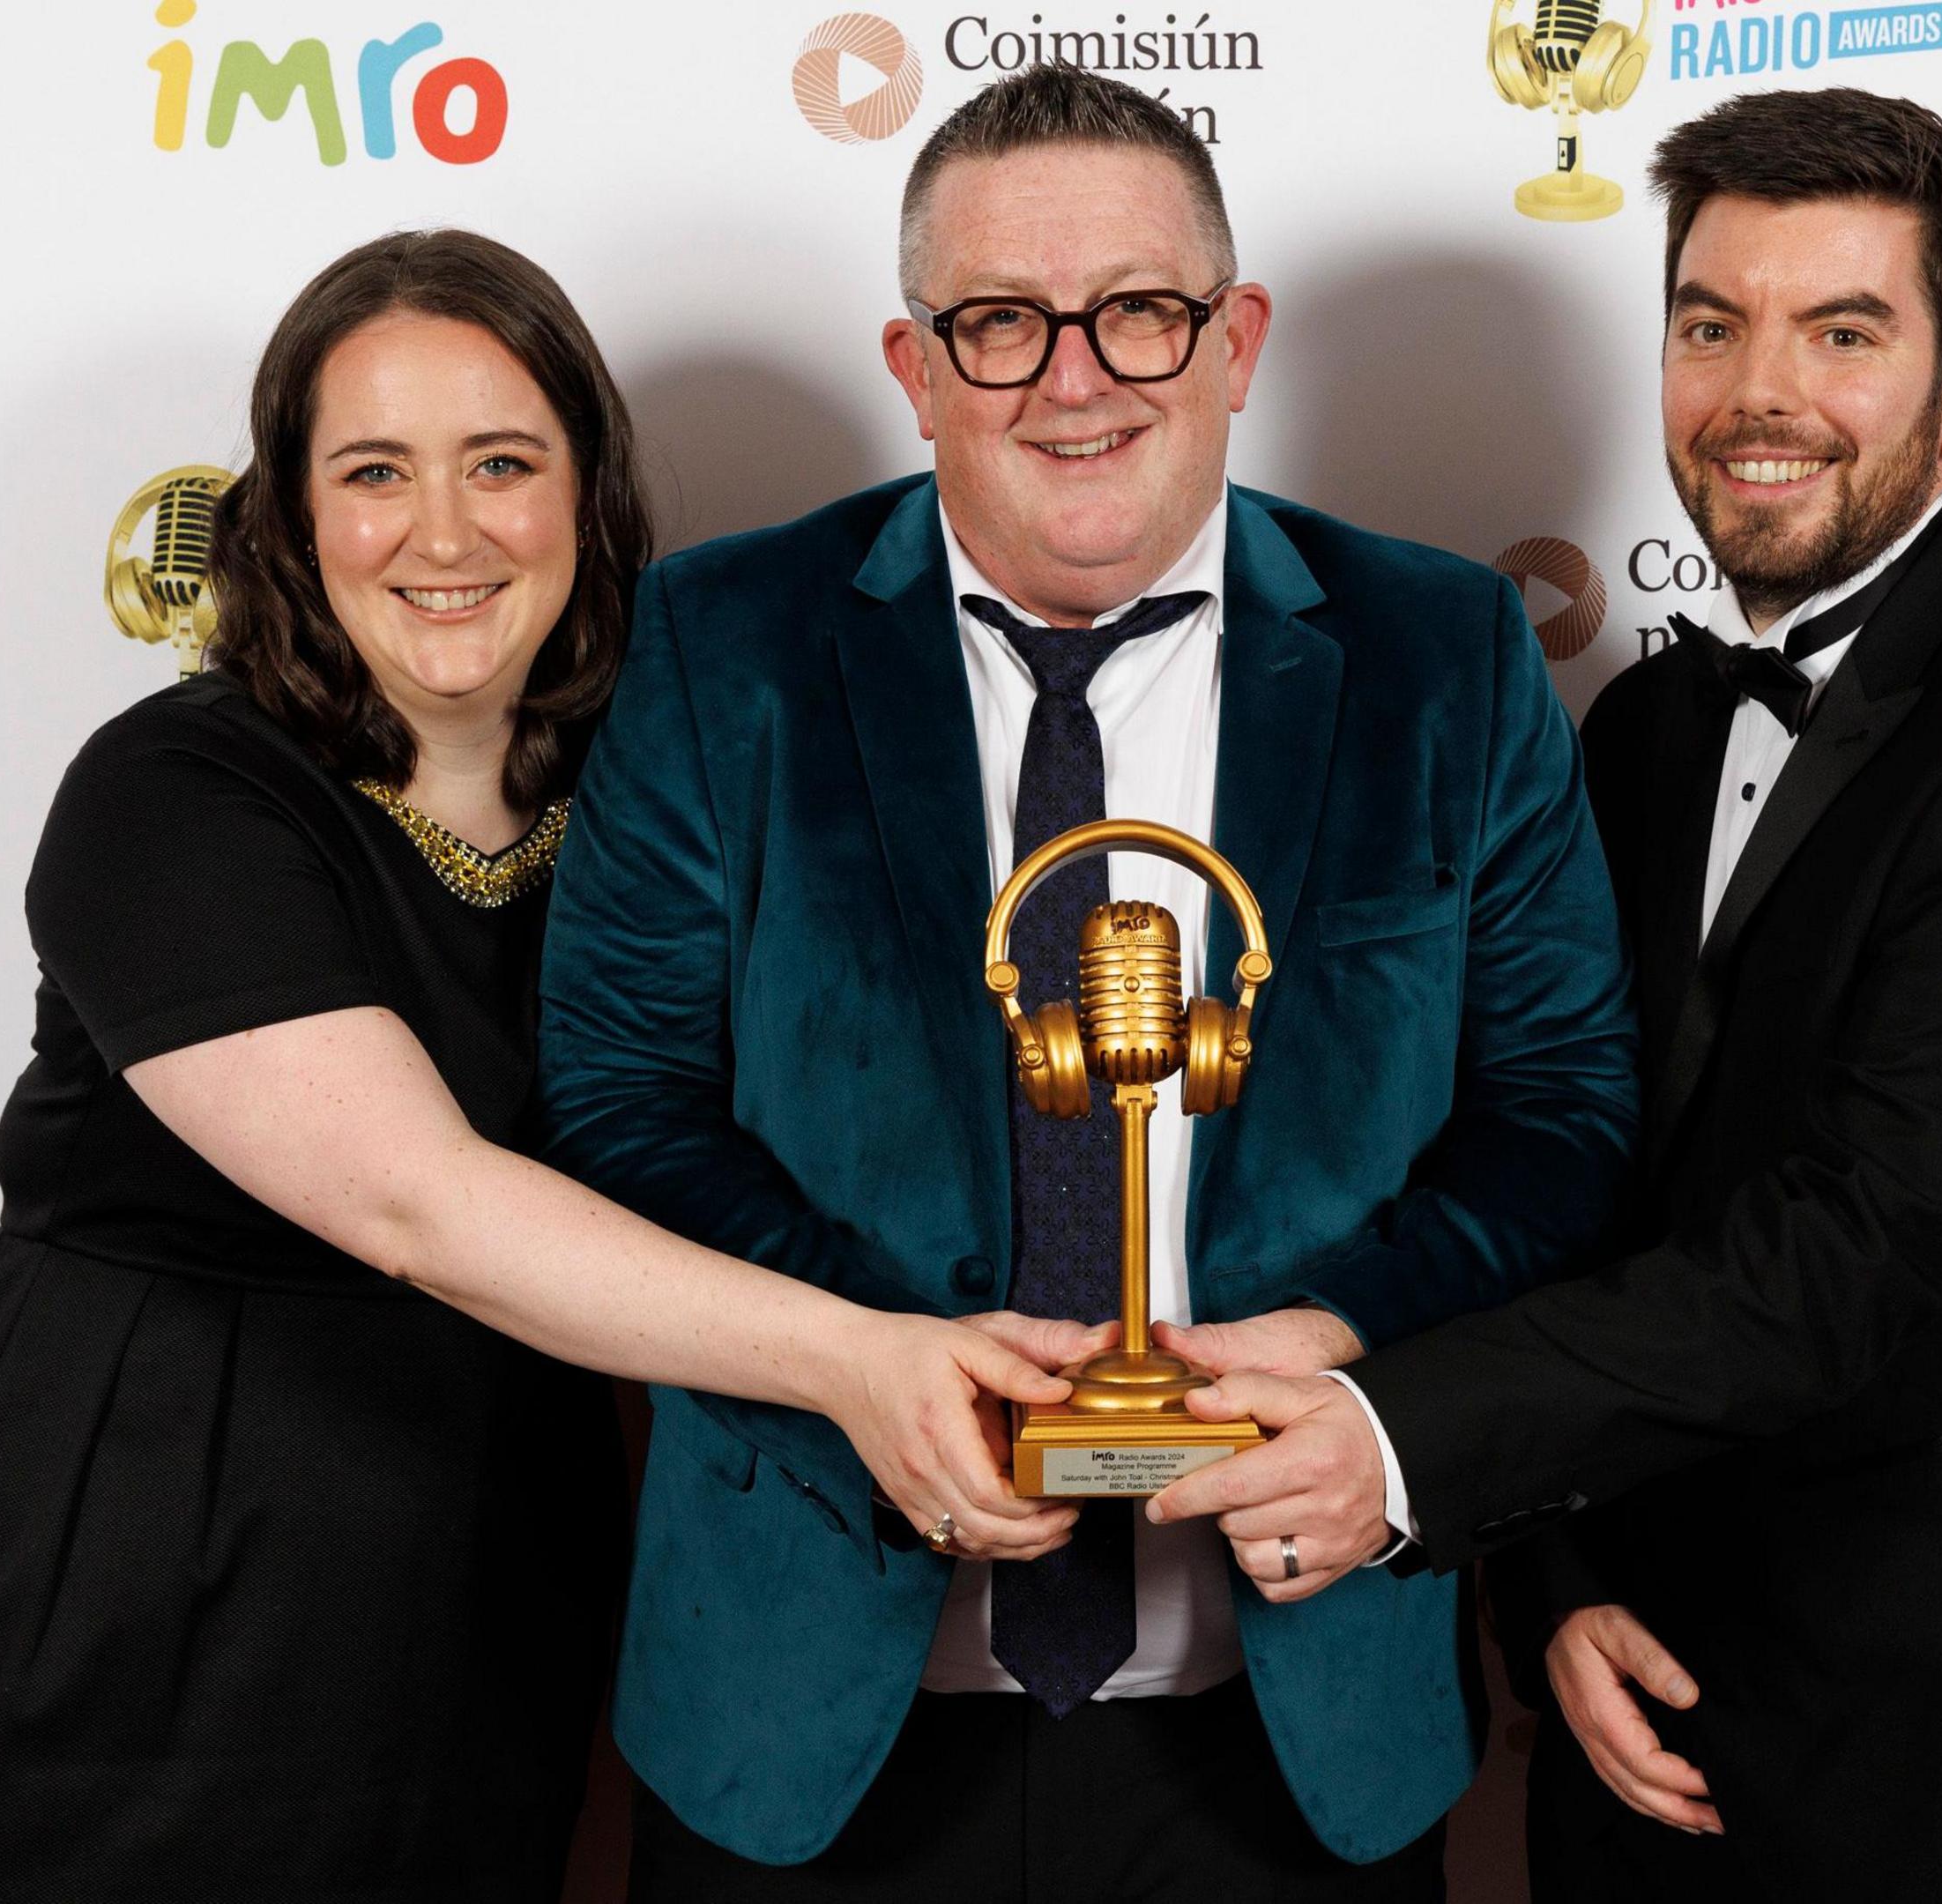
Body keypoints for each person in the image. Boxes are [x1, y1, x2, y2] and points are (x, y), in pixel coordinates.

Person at [0, 229, 1101, 1903]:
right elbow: (419, 1203)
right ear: (288, 515)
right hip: (132, 1533)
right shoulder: (174, 795)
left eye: (503, 462)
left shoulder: (653, 791)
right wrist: (864, 1363)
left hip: (484, 1547)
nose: (442, 532)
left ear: (586, 493)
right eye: (373, 472)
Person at [540, 65, 1635, 1901]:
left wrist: (1349, 1350)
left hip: (1297, 1731)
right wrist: (877, 1364)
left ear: (1236, 337)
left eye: (1137, 309)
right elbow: (620, 1096)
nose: (1075, 375)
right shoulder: (723, 642)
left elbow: (1564, 1114)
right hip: (802, 1719)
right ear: (913, 364)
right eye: (998, 322)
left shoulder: (1443, 654)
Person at [1152, 89, 1942, 1902]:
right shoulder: (1644, 729)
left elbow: (1845, 1257)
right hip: (1636, 1709)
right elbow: (1584, 1192)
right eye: (1712, 324)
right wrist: (1554, 1578)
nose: (1759, 393)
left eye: (1844, 331)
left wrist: (1403, 1442)